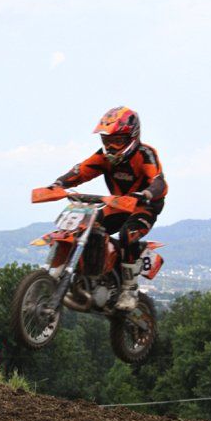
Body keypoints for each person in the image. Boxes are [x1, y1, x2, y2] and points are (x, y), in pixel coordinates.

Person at [50, 107, 168, 310]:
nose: (111, 147)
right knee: (86, 226)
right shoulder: (103, 157)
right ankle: (89, 272)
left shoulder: (145, 154)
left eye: (118, 141)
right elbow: (81, 171)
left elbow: (158, 181)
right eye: (107, 141)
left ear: (132, 137)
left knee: (127, 234)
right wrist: (59, 184)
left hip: (145, 206)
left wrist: (146, 194)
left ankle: (129, 289)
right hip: (118, 204)